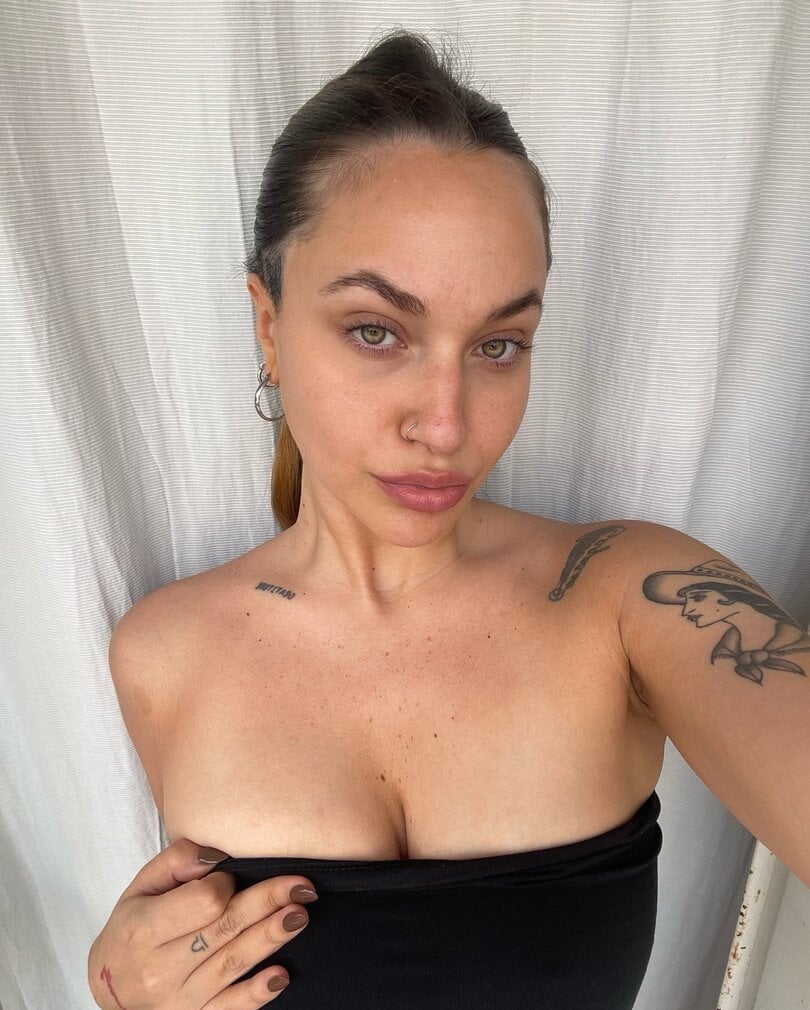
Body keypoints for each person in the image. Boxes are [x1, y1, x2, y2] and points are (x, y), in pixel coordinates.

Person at [88, 26, 810, 1010]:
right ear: (269, 325)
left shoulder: (626, 595)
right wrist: (123, 990)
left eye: (499, 345)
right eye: (376, 330)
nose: (447, 424)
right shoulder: (160, 650)